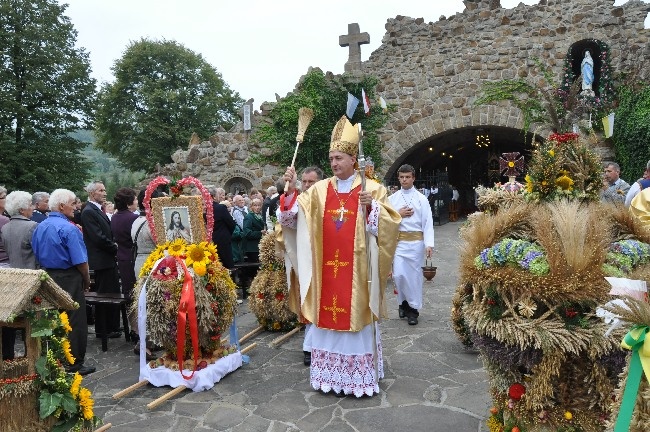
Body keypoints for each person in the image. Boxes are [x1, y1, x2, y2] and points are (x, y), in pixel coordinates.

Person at [278, 115, 400, 397]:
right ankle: (329, 377)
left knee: (355, 317)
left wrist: (372, 210)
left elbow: (390, 226)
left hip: (357, 272)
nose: (334, 163)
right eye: (331, 158)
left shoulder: (373, 189)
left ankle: (359, 378)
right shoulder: (319, 191)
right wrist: (292, 191)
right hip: (326, 271)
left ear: (353, 159)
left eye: (339, 158)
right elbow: (292, 220)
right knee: (327, 315)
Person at [32, 189, 95, 375]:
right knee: (74, 320)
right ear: (61, 206)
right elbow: (81, 261)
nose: (76, 207)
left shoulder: (40, 226)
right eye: (73, 203)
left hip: (47, 275)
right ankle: (74, 362)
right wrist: (86, 280)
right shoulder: (69, 228)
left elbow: (35, 251)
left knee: (52, 319)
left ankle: (53, 359)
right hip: (69, 277)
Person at [277, 165, 323, 366]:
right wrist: (291, 190)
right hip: (306, 260)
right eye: (303, 181)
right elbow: (287, 219)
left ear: (320, 182)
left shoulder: (326, 199)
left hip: (329, 259)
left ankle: (320, 345)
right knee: (309, 300)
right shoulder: (300, 201)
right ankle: (309, 347)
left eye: (310, 182)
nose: (306, 185)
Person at [388, 165, 435, 326]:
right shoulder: (393, 199)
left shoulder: (421, 199)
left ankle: (413, 310)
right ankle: (403, 303)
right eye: (401, 177)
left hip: (415, 243)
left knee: (413, 278)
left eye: (407, 177)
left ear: (413, 178)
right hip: (399, 243)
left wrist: (429, 244)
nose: (404, 180)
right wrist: (397, 214)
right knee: (399, 275)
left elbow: (428, 222)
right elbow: (385, 219)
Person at [80, 181, 121, 339]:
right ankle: (104, 329)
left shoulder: (97, 209)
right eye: (101, 190)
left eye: (104, 190)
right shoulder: (88, 211)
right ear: (92, 193)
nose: (104, 193)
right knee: (105, 296)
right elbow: (98, 237)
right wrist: (114, 247)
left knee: (111, 293)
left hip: (106, 259)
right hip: (101, 260)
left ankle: (111, 326)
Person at [0, 190, 38, 359]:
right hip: (31, 277)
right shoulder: (32, 226)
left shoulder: (6, 226)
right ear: (22, 209)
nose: (33, 208)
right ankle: (30, 357)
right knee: (31, 321)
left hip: (12, 275)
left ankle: (8, 357)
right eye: (30, 205)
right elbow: (38, 254)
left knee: (11, 318)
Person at [110, 188, 139, 338]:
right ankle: (139, 329)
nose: (137, 201)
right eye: (134, 199)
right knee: (138, 293)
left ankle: (133, 327)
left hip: (122, 257)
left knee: (129, 293)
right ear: (128, 203)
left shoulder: (114, 218)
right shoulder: (133, 218)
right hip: (133, 257)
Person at [209, 187, 236, 269]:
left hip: (209, 241)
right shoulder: (220, 208)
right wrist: (227, 233)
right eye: (218, 195)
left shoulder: (203, 209)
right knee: (227, 265)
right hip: (222, 240)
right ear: (214, 196)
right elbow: (231, 223)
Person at [242, 198, 266, 263]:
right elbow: (247, 233)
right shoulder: (249, 217)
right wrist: (260, 233)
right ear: (251, 206)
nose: (257, 207)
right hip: (252, 248)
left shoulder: (260, 216)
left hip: (259, 246)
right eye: (255, 205)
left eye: (259, 205)